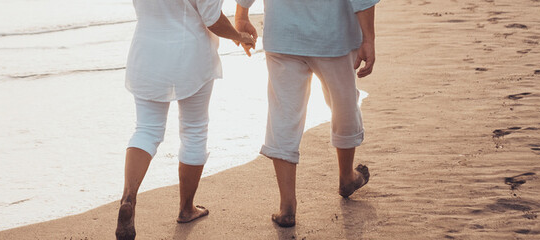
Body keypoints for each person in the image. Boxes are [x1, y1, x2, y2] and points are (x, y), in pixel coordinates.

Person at [115, 0, 255, 239]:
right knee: (194, 130)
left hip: (147, 52)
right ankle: (186, 208)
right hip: (191, 53)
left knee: (146, 130)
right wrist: (239, 35)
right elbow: (211, 18)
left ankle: (129, 197)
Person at [233, 0, 379, 227]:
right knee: (344, 105)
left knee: (283, 114)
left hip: (284, 35)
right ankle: (347, 177)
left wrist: (242, 14)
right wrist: (369, 39)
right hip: (333, 35)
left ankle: (287, 206)